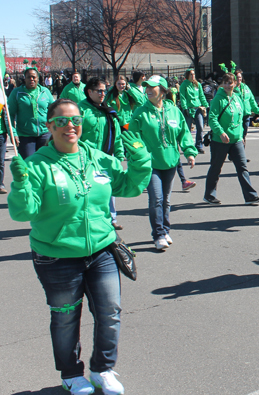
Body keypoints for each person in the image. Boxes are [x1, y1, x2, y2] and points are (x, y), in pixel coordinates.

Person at [7, 98, 151, 395]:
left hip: (101, 250)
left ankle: (103, 369)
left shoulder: (97, 158)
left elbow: (129, 187)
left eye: (75, 121)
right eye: (61, 121)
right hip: (56, 256)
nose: (69, 126)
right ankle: (71, 373)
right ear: (49, 126)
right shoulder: (37, 165)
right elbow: (24, 213)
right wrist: (21, 186)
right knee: (65, 318)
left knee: (110, 313)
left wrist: (140, 161)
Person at [128, 76, 197, 250]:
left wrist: (189, 152)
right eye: (146, 87)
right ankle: (158, 234)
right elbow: (133, 137)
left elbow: (184, 133)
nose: (148, 90)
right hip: (150, 164)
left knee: (166, 200)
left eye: (152, 87)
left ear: (163, 91)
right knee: (156, 199)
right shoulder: (140, 112)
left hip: (170, 162)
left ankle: (166, 230)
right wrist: (140, 154)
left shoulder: (173, 110)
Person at [203, 72, 259, 206]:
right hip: (220, 141)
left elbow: (240, 118)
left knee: (243, 168)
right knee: (216, 168)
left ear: (235, 83)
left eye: (230, 82)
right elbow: (212, 119)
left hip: (236, 140)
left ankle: (250, 196)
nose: (227, 85)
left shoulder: (237, 97)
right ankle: (209, 194)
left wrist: (241, 136)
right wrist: (221, 133)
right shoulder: (218, 99)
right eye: (225, 82)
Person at [79, 77, 125, 229]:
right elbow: (75, 135)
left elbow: (116, 135)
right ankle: (89, 220)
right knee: (88, 190)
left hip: (106, 157)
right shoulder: (81, 110)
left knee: (107, 188)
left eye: (104, 90)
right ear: (89, 91)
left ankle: (111, 218)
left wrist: (118, 156)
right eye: (99, 91)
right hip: (86, 159)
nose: (103, 94)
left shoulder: (108, 110)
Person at [7, 65, 54, 159]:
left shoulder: (45, 91)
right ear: (25, 78)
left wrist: (54, 130)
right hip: (25, 136)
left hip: (45, 134)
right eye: (29, 77)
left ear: (38, 78)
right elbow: (9, 115)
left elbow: (54, 110)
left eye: (34, 77)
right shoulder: (17, 93)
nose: (31, 79)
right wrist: (13, 133)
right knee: (29, 164)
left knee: (45, 163)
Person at [180, 68, 209, 154]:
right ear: (187, 75)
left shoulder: (197, 84)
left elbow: (201, 96)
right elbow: (183, 97)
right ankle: (187, 146)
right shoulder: (184, 85)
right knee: (187, 129)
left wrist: (206, 106)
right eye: (191, 74)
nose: (193, 76)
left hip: (198, 108)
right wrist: (184, 108)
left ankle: (199, 145)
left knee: (200, 126)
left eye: (194, 74)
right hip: (189, 108)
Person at [234, 68, 259, 144]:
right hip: (237, 115)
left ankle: (241, 151)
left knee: (244, 134)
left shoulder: (245, 87)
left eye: (240, 77)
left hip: (246, 114)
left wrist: (257, 110)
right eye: (237, 77)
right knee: (238, 135)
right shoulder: (232, 89)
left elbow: (251, 100)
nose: (239, 79)